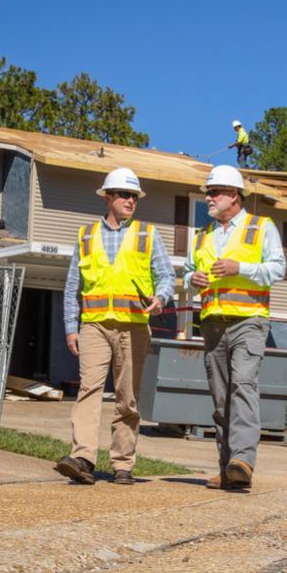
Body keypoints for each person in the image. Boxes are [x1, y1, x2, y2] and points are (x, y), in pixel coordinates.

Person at [55, 167, 175, 486]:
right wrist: (70, 327)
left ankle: (122, 463)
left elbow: (167, 276)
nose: (130, 201)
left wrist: (161, 297)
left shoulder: (148, 235)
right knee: (88, 389)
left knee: (127, 397)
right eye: (124, 194)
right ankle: (82, 458)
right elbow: (72, 287)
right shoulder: (86, 235)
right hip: (93, 325)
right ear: (108, 197)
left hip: (133, 327)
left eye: (134, 196)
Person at [183, 165, 286, 491]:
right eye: (208, 193)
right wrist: (192, 280)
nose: (208, 198)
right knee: (221, 398)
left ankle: (242, 460)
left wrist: (238, 268)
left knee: (243, 384)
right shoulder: (202, 236)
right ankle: (229, 468)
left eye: (214, 192)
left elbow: (278, 269)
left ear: (233, 195)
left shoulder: (261, 227)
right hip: (212, 323)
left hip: (249, 320)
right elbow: (187, 274)